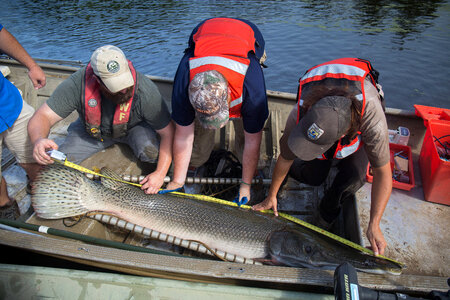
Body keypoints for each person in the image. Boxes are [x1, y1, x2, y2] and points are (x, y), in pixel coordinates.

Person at [253, 58, 391, 256]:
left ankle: (325, 217)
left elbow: (383, 172)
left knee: (352, 178)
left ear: (341, 136)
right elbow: (285, 156)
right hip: (326, 112)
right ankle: (294, 175)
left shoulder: (371, 116)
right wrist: (271, 196)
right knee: (313, 177)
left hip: (357, 115)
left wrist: (374, 224)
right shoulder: (300, 111)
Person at [28, 45, 174, 194]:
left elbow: (168, 133)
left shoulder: (145, 90)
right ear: (97, 79)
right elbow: (42, 116)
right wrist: (38, 139)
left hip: (133, 128)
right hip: (91, 131)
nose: (123, 89)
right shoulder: (77, 84)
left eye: (125, 81)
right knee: (55, 167)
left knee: (154, 153)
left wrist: (160, 174)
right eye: (115, 86)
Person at [168, 18, 269, 204]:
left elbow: (253, 140)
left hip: (247, 38)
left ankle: (253, 173)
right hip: (203, 37)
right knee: (198, 133)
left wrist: (245, 185)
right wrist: (177, 180)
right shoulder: (184, 82)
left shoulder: (252, 87)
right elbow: (183, 136)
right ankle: (194, 165)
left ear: (230, 94)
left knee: (246, 132)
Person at [0, 24, 45, 219]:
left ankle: (40, 190)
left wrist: (32, 65)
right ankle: (5, 205)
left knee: (37, 157)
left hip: (8, 103)